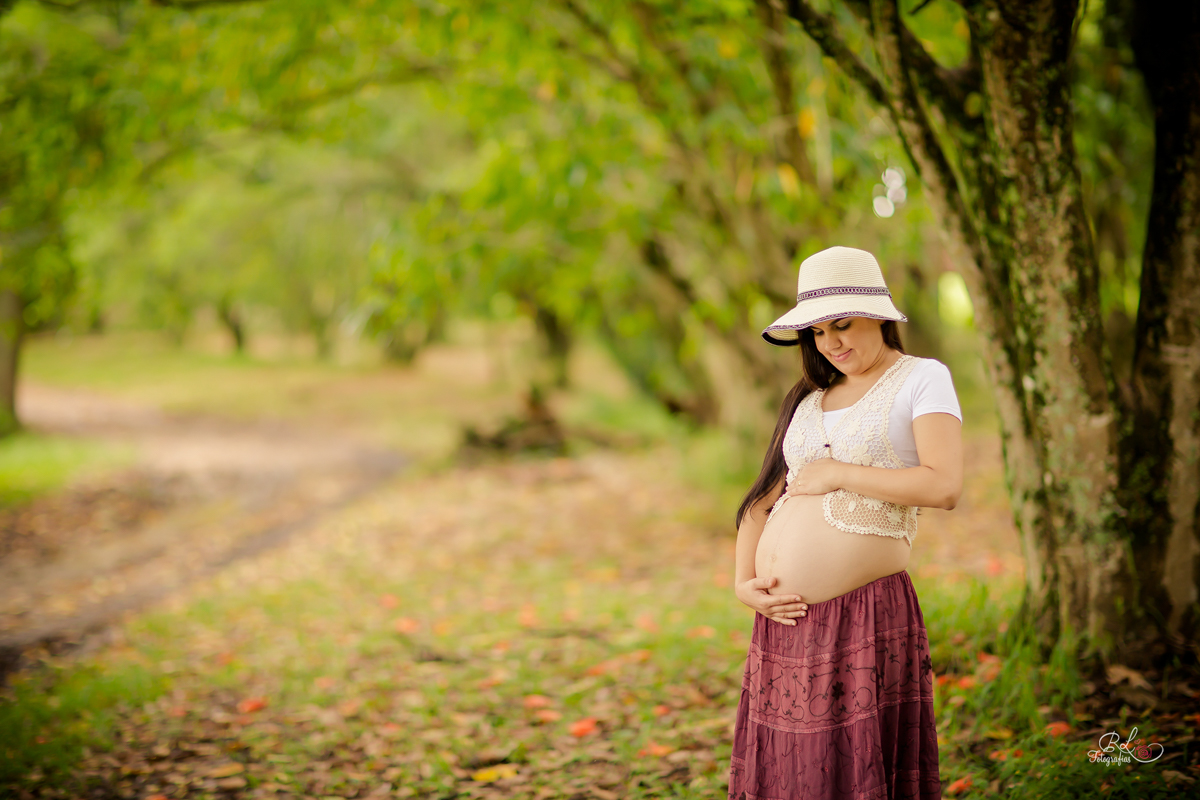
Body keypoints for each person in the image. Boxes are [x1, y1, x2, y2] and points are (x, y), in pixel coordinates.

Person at [727, 246, 962, 800]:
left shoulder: (922, 378)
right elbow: (761, 502)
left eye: (842, 325)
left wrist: (839, 473)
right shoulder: (809, 398)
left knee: (846, 766)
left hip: (862, 613)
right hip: (785, 619)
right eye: (817, 332)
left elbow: (943, 486)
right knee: (791, 770)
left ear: (878, 315)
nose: (831, 343)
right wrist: (743, 583)